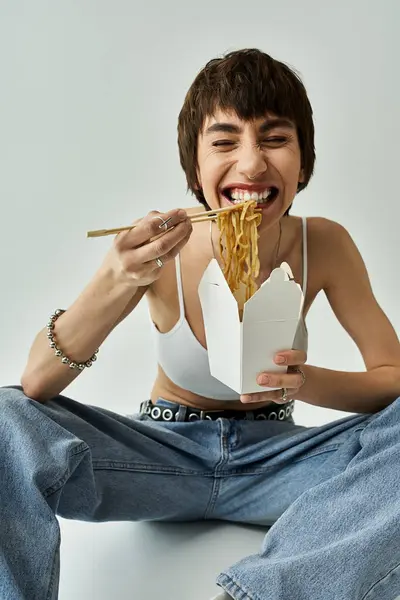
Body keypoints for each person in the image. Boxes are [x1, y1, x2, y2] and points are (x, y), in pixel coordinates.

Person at [1, 48, 400, 600]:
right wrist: (114, 278)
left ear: (304, 162)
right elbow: (37, 385)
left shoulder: (324, 243)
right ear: (195, 167)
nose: (253, 165)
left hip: (278, 462)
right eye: (225, 141)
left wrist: (307, 381)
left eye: (276, 139)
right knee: (5, 418)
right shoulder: (163, 243)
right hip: (161, 456)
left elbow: (392, 375)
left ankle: (257, 594)